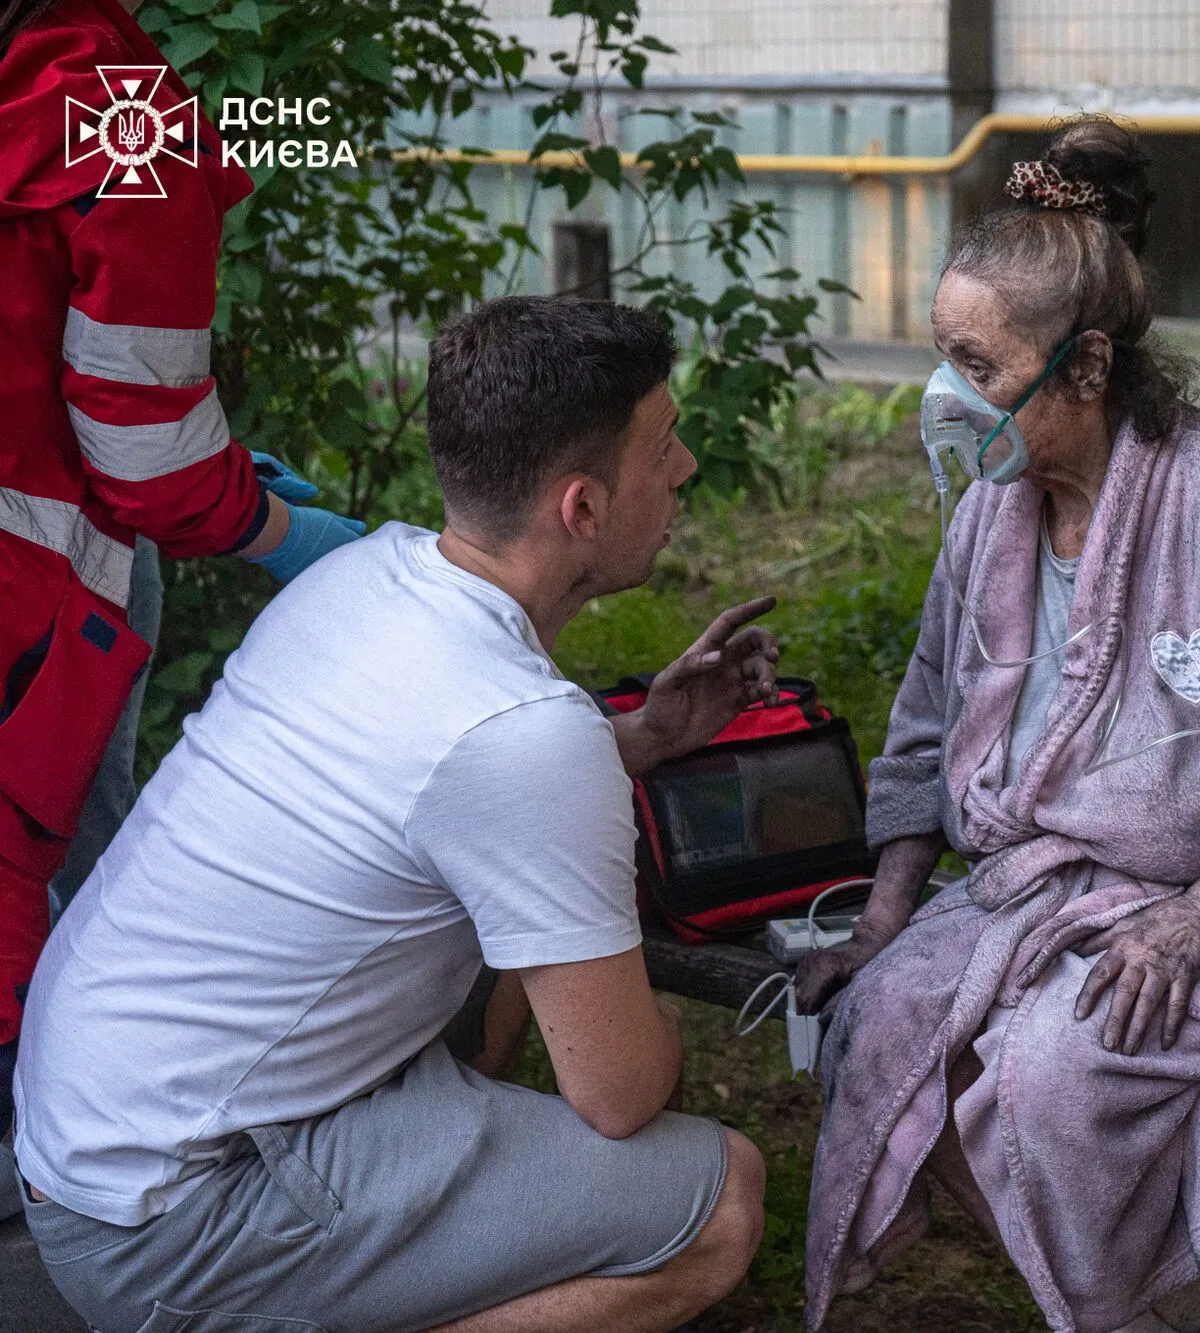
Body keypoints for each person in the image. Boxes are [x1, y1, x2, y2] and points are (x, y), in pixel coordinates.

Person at [11, 297, 776, 1332]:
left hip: (89, 1129)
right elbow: (622, 1094)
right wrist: (648, 1012)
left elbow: (457, 769)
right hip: (172, 1216)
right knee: (718, 1200)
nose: (682, 466)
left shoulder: (367, 575)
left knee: (505, 936)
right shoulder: (522, 734)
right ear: (582, 508)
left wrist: (635, 740)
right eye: (663, 444)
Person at [792, 118, 1200, 1333]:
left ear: (1084, 368)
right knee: (879, 1029)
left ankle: (1158, 1315)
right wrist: (884, 919)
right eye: (941, 356)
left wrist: (1197, 920)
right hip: (1041, 891)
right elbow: (925, 727)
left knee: (1049, 1071)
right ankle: (1143, 1311)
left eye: (976, 366)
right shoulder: (988, 511)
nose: (944, 397)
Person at [0, 0, 365, 1168]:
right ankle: (75, 1178)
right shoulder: (119, 121)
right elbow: (147, 462)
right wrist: (271, 528)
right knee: (48, 895)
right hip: (33, 612)